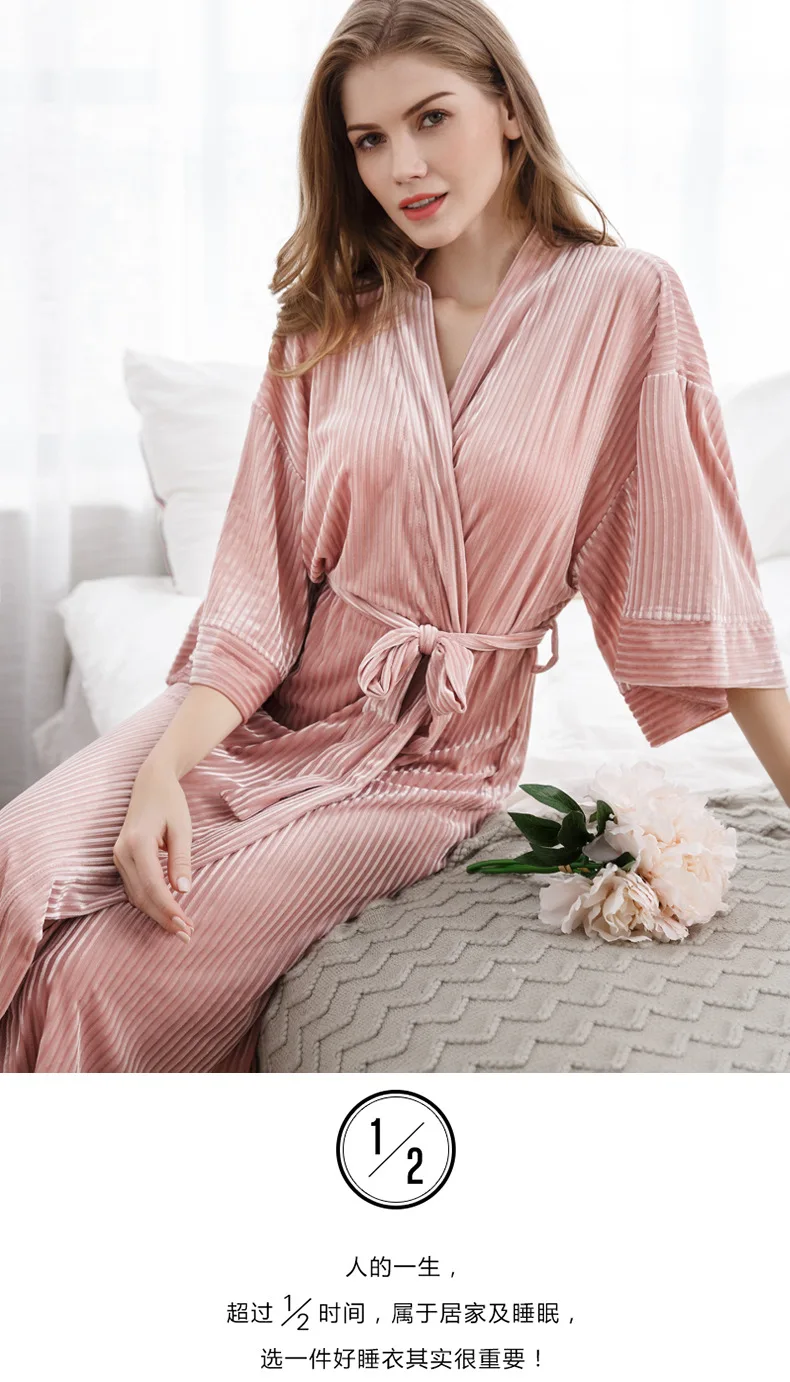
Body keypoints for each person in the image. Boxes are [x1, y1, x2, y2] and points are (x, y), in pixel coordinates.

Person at [1, 0, 787, 1073]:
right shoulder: (329, 316)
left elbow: (704, 585)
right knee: (16, 862)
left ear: (508, 110)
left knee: (111, 971)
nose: (402, 165)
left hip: (433, 761)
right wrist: (161, 770)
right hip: (261, 711)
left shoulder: (627, 300)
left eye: (431, 118)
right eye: (369, 139)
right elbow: (257, 596)